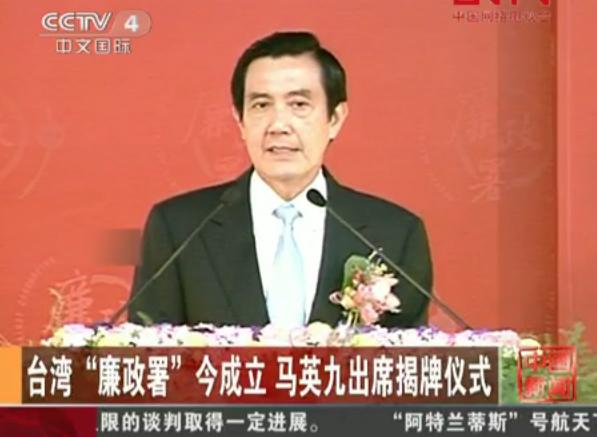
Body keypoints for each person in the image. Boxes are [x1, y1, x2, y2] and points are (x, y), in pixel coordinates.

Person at [128, 31, 432, 328]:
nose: (278, 125)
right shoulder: (179, 227)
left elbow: (405, 355)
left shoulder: (394, 234)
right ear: (240, 121)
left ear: (335, 119)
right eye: (261, 105)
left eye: (299, 105)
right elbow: (148, 349)